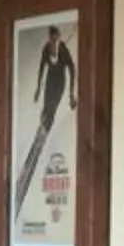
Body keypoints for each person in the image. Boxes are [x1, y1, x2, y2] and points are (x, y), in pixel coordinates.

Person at [11, 21, 77, 231]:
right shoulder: (46, 49)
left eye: (55, 37)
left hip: (60, 84)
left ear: (58, 36)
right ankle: (42, 126)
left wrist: (71, 94)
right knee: (45, 108)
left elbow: (72, 69)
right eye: (52, 38)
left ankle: (45, 128)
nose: (54, 40)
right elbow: (41, 68)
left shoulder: (63, 50)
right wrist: (38, 88)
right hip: (50, 82)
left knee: (52, 109)